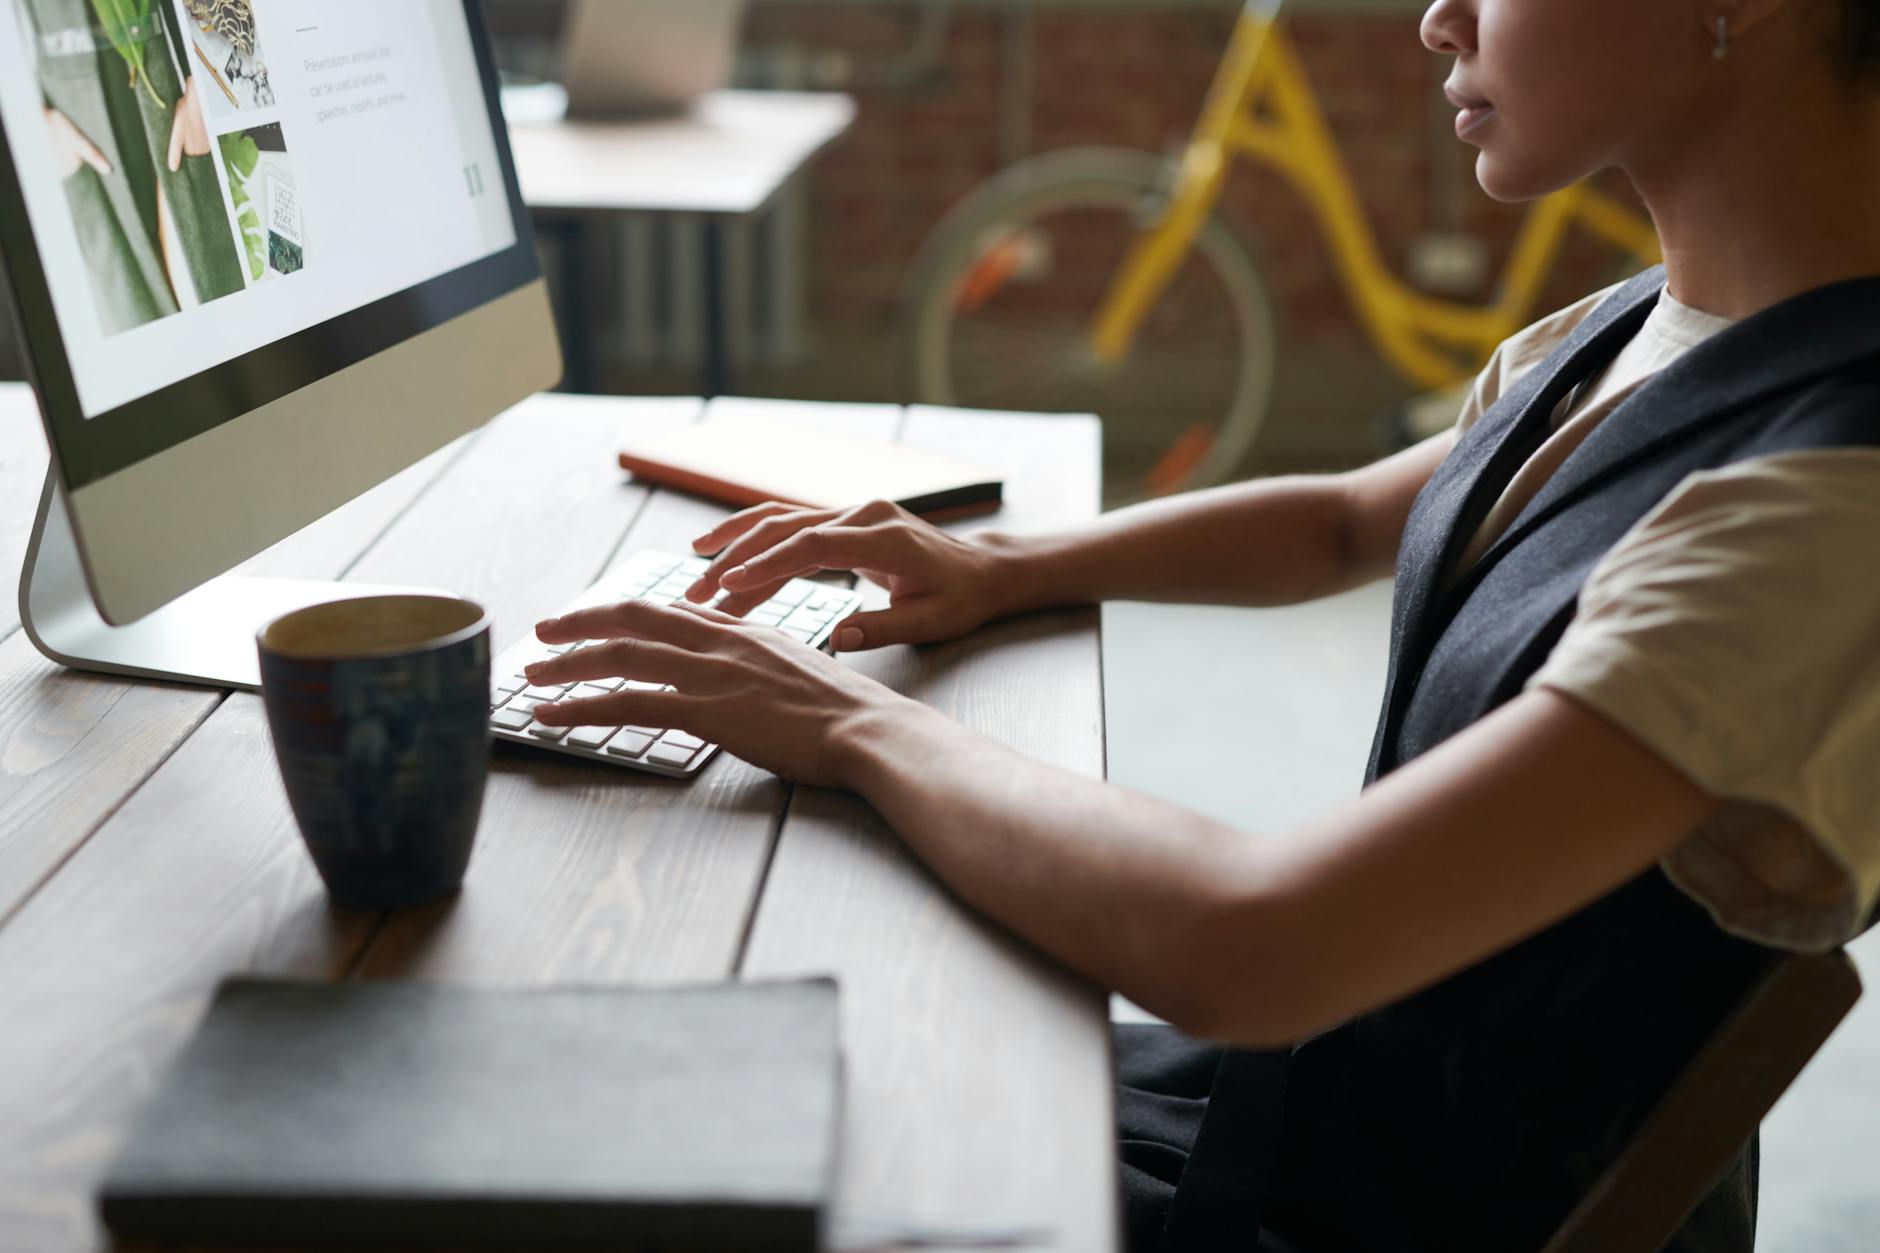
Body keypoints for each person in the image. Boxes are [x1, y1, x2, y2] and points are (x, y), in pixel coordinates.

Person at [525, 0, 1880, 1247]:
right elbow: (1348, 521)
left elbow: (1259, 945)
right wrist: (998, 564)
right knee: (739, 1068)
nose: (1437, 18)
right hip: (1303, 1109)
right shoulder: (1647, 323)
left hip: (1358, 1214)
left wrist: (839, 719)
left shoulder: (1824, 505)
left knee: (637, 1158)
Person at [20, 0, 243, 333]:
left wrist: (204, 80)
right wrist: (34, 120)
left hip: (164, 65)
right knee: (134, 319)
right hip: (70, 112)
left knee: (217, 298)